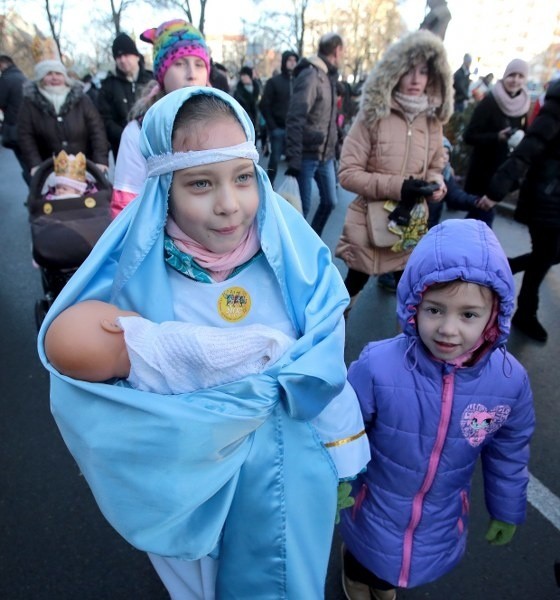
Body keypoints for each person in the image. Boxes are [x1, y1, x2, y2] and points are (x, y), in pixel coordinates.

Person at [38, 86, 369, 599]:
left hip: (289, 472)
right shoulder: (140, 284)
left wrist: (344, 457)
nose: (229, 205)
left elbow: (322, 361)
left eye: (242, 178)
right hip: (195, 488)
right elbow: (114, 390)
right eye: (200, 184)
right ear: (163, 190)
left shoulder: (292, 264)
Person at [339, 218, 535, 600]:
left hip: (440, 513)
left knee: (393, 570)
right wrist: (336, 478)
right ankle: (355, 574)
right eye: (434, 310)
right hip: (375, 500)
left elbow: (509, 451)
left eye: (468, 315)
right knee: (364, 553)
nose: (448, 329)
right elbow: (344, 426)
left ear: (494, 315)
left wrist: (507, 507)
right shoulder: (379, 365)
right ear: (414, 304)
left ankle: (380, 583)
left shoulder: (509, 382)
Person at [335, 30, 451, 312]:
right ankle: (329, 343)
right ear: (394, 72)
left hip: (409, 226)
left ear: (433, 77)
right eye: (408, 70)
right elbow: (348, 173)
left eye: (423, 72)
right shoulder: (372, 115)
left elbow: (437, 162)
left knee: (411, 296)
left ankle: (409, 353)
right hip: (369, 224)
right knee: (351, 288)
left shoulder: (432, 121)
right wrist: (399, 187)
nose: (415, 79)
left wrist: (436, 181)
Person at [476, 78, 560, 342]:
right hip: (546, 197)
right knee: (546, 254)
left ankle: (504, 270)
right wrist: (495, 191)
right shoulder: (557, 105)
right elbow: (527, 150)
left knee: (547, 255)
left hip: (554, 197)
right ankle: (525, 311)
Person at [110, 19, 211, 218]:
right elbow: (126, 207)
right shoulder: (139, 132)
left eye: (199, 64)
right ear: (161, 74)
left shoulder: (226, 121)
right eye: (179, 63)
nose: (191, 74)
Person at [17, 44, 109, 180]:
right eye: (48, 74)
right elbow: (25, 136)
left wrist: (100, 160)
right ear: (40, 78)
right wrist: (35, 164)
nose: (54, 78)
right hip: (49, 169)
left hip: (85, 165)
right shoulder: (30, 103)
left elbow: (97, 129)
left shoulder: (82, 99)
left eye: (58, 73)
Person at [285, 32, 344, 236]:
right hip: (307, 154)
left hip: (325, 155)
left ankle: (311, 241)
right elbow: (295, 116)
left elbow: (329, 118)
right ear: (337, 51)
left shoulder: (328, 76)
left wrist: (335, 145)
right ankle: (298, 250)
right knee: (301, 209)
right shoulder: (311, 75)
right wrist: (294, 157)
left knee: (330, 201)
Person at [463, 58, 530, 227]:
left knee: (475, 223)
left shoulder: (524, 105)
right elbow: (469, 136)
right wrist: (496, 137)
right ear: (505, 76)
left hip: (502, 174)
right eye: (512, 75)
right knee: (482, 224)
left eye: (520, 76)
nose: (515, 80)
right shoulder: (490, 101)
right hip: (482, 173)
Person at [97, 33, 154, 159]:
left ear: (137, 56)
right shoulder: (108, 86)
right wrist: (127, 136)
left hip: (153, 147)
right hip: (123, 150)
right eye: (118, 56)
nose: (122, 60)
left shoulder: (152, 80)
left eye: (126, 55)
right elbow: (105, 120)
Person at [259, 50, 298, 185]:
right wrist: (272, 126)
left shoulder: (299, 82)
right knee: (274, 160)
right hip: (278, 128)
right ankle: (269, 186)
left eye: (294, 60)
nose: (292, 63)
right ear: (284, 62)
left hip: (295, 130)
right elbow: (264, 105)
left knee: (295, 162)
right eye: (290, 60)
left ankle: (292, 191)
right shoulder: (274, 82)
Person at [427, 137, 479, 228]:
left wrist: (476, 201)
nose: (445, 156)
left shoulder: (446, 173)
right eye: (440, 152)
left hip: (429, 228)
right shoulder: (419, 172)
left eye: (447, 153)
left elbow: (455, 195)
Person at [0, 54, 29, 184]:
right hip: (29, 127)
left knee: (26, 165)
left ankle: (35, 195)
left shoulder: (6, 79)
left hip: (15, 128)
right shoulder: (23, 78)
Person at [233, 65, 260, 130]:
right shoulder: (237, 91)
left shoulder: (257, 88)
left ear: (250, 76)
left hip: (257, 124)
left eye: (245, 75)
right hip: (243, 124)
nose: (242, 78)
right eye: (241, 75)